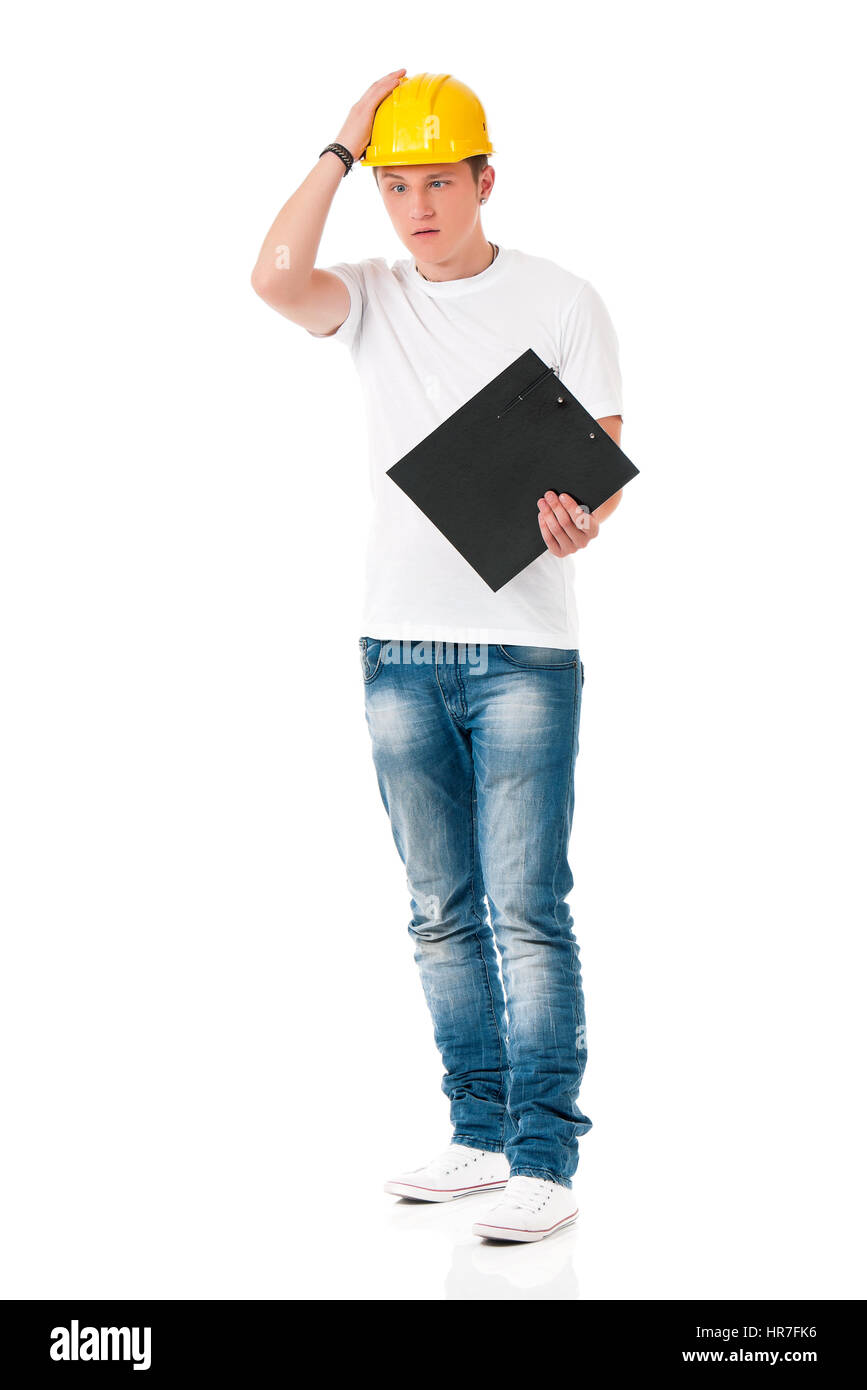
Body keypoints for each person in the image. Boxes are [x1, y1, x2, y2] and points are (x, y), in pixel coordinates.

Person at [251, 70, 625, 1244]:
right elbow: (271, 279)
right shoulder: (367, 296)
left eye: (437, 183)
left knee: (527, 906)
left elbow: (599, 466)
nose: (415, 208)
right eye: (397, 185)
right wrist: (338, 149)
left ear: (484, 181)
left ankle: (544, 1153)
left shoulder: (565, 299)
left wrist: (579, 520)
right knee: (438, 908)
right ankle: (473, 1134)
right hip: (396, 643)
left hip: (523, 648)